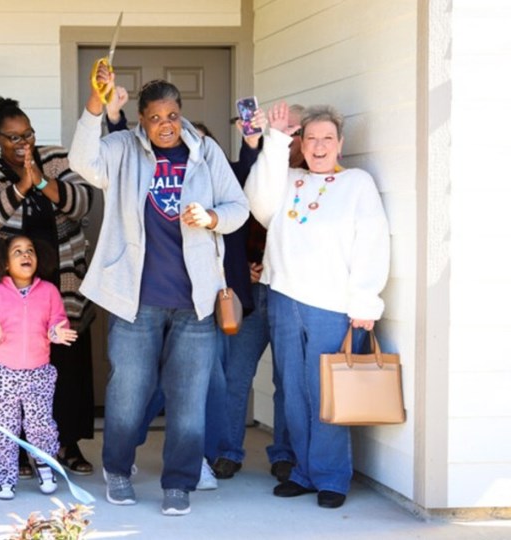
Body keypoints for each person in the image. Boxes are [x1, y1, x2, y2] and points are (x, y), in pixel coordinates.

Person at [68, 66, 249, 516]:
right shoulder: (122, 149)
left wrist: (211, 218)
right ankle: (119, 469)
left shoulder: (205, 151)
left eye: (172, 114)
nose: (165, 124)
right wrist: (96, 103)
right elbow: (81, 161)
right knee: (127, 392)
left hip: (197, 303)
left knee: (189, 400)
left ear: (180, 113)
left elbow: (238, 207)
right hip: (137, 300)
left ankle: (179, 484)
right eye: (154, 117)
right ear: (141, 120)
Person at [245, 102, 390, 509]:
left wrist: (366, 300)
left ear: (340, 144)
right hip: (285, 297)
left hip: (334, 305)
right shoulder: (288, 179)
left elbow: (372, 242)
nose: (319, 146)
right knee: (293, 390)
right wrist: (274, 142)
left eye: (328, 138)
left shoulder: (357, 184)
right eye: (311, 138)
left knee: (326, 392)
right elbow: (258, 202)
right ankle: (304, 472)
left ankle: (331, 477)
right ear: (301, 144)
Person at [0, 96, 96, 476]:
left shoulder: (56, 157)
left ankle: (69, 443)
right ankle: (18, 449)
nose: (22, 143)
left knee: (66, 364)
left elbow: (83, 203)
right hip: (12, 293)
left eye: (27, 134)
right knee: (16, 370)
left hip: (63, 280)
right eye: (12, 137)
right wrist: (21, 186)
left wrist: (41, 181)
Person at [209, 105, 306, 483]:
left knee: (287, 379)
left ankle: (283, 454)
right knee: (236, 375)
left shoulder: (315, 181)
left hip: (287, 291)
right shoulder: (259, 173)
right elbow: (240, 224)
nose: (292, 141)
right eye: (284, 132)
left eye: (296, 133)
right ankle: (228, 451)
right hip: (251, 293)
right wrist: (247, 265)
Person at [0, 235, 78, 500]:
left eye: (30, 250)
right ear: (5, 263)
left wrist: (57, 333)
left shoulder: (49, 292)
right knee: (5, 427)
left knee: (40, 424)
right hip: (4, 372)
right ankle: (5, 477)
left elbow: (58, 322)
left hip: (39, 372)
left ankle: (45, 466)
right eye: (17, 252)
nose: (25, 255)